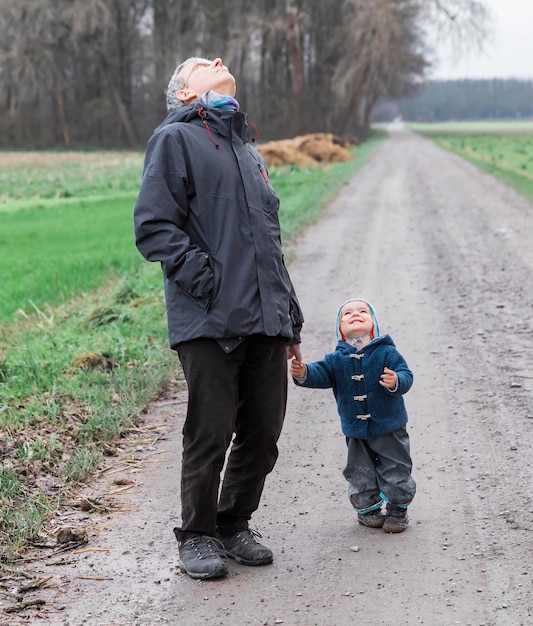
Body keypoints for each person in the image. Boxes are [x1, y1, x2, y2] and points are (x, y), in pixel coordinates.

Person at [133, 57, 303, 579]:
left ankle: (233, 525)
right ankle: (198, 535)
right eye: (201, 64)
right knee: (210, 431)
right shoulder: (174, 140)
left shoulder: (247, 150)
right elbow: (154, 226)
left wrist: (290, 317)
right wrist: (206, 282)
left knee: (262, 431)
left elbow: (268, 244)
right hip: (209, 319)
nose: (217, 61)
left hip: (266, 318)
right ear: (184, 94)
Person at [290, 298, 415, 533]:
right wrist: (304, 372)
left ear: (373, 324)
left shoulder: (386, 352)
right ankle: (368, 510)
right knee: (359, 470)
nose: (355, 314)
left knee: (396, 467)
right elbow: (320, 374)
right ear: (340, 328)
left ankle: (398, 509)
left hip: (390, 427)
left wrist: (396, 380)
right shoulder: (336, 359)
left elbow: (406, 374)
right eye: (347, 313)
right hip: (355, 430)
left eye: (362, 311)